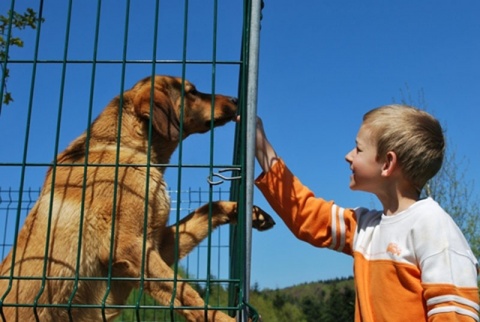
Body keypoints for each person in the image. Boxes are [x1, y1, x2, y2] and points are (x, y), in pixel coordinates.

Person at [252, 104, 479, 321]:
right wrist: (260, 144)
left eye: (359, 149)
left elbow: (454, 314)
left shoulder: (432, 225)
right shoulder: (365, 227)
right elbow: (306, 214)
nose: (348, 156)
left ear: (387, 163)